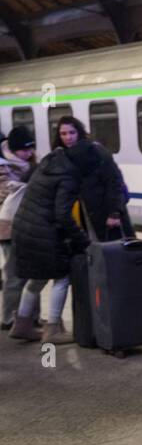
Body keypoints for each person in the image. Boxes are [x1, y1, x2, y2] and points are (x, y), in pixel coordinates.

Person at [9, 129, 101, 343]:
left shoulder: (53, 160)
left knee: (37, 277)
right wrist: (83, 240)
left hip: (24, 227)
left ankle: (22, 324)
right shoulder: (69, 176)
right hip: (43, 230)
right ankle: (53, 330)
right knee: (62, 276)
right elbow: (62, 215)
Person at [54, 115, 126, 242]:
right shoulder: (61, 157)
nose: (68, 137)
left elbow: (114, 182)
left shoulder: (96, 152)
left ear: (79, 132)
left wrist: (114, 213)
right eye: (63, 134)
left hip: (101, 212)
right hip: (78, 213)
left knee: (108, 250)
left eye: (72, 132)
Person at [0, 124, 37, 331]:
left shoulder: (31, 165)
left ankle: (30, 317)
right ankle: (9, 318)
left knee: (34, 272)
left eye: (31, 148)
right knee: (14, 275)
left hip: (30, 225)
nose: (29, 152)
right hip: (9, 229)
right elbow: (3, 195)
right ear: (13, 149)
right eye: (25, 149)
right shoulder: (2, 167)